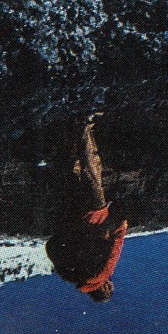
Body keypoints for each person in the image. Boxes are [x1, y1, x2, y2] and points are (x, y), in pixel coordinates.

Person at [45, 118, 128, 302]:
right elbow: (52, 248)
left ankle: (84, 125)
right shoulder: (71, 277)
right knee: (73, 174)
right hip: (71, 218)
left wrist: (121, 226)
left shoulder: (100, 276)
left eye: (111, 286)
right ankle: (65, 129)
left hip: (94, 216)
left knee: (92, 171)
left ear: (105, 289)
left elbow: (114, 249)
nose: (111, 282)